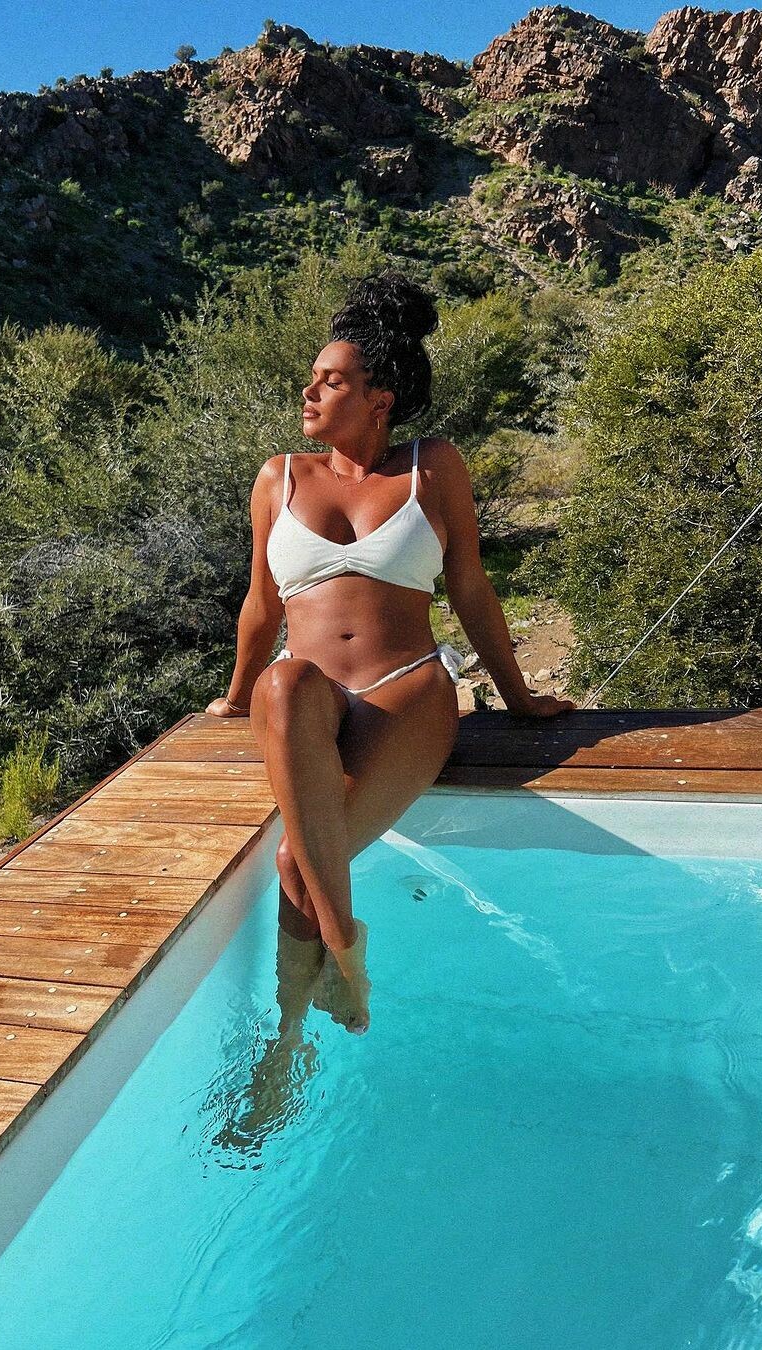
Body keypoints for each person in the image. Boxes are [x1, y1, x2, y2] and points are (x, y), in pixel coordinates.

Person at [207, 270, 576, 1037]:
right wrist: (238, 696)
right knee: (283, 684)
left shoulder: (431, 468)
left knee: (294, 863)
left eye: (331, 381)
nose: (309, 391)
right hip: (308, 702)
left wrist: (520, 700)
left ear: (380, 399)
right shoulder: (278, 478)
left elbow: (470, 589)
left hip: (405, 688)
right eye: (312, 378)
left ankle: (289, 1030)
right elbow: (262, 603)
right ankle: (345, 956)